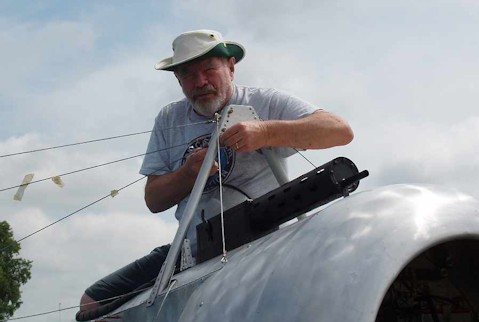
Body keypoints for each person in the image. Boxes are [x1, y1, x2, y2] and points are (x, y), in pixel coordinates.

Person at [78, 29, 353, 313]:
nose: (200, 82)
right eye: (188, 75)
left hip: (265, 243)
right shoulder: (168, 119)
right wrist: (188, 173)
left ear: (230, 67)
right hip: (191, 250)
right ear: (178, 80)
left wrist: (267, 131)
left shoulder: (265, 102)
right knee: (91, 305)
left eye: (209, 69)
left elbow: (339, 131)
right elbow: (153, 199)